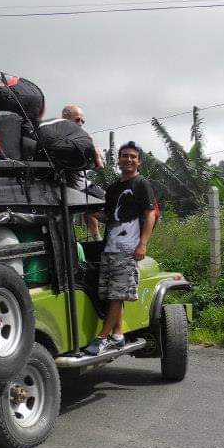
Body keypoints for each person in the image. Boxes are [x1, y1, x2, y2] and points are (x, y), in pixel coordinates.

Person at [84, 141, 157, 356]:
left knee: (116, 295)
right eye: (125, 156)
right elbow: (109, 216)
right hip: (110, 246)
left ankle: (102, 338)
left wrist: (142, 243)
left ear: (139, 162)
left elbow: (149, 214)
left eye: (133, 157)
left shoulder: (141, 184)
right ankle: (118, 335)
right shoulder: (115, 188)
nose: (129, 159)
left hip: (128, 248)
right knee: (111, 293)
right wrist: (89, 210)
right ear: (119, 160)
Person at [60, 104, 105, 240]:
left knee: (95, 208)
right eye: (77, 120)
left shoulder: (81, 136)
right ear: (65, 118)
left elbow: (99, 163)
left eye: (82, 121)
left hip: (77, 186)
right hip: (71, 187)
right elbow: (99, 164)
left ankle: (96, 239)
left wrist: (96, 156)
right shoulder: (59, 136)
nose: (80, 124)